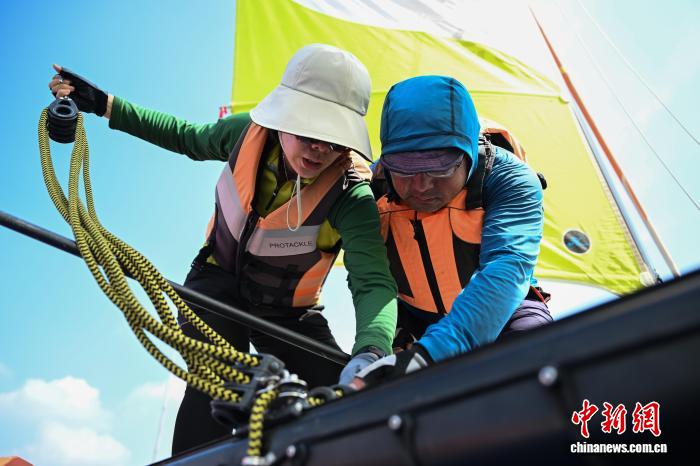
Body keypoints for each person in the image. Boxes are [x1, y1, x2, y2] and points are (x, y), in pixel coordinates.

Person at [48, 44, 397, 453]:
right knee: (217, 384)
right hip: (215, 285)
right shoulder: (245, 134)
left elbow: (373, 282)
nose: (320, 149)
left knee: (348, 397)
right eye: (309, 133)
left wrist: (371, 351)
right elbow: (184, 136)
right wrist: (105, 105)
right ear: (285, 118)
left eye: (333, 140)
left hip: (289, 313)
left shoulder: (352, 196)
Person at [351, 75, 552, 388]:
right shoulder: (370, 192)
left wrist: (428, 355)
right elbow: (369, 279)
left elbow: (507, 267)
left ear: (468, 151)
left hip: (507, 314)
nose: (421, 185)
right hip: (415, 327)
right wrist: (374, 350)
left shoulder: (511, 180)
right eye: (404, 168)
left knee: (536, 364)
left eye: (440, 166)